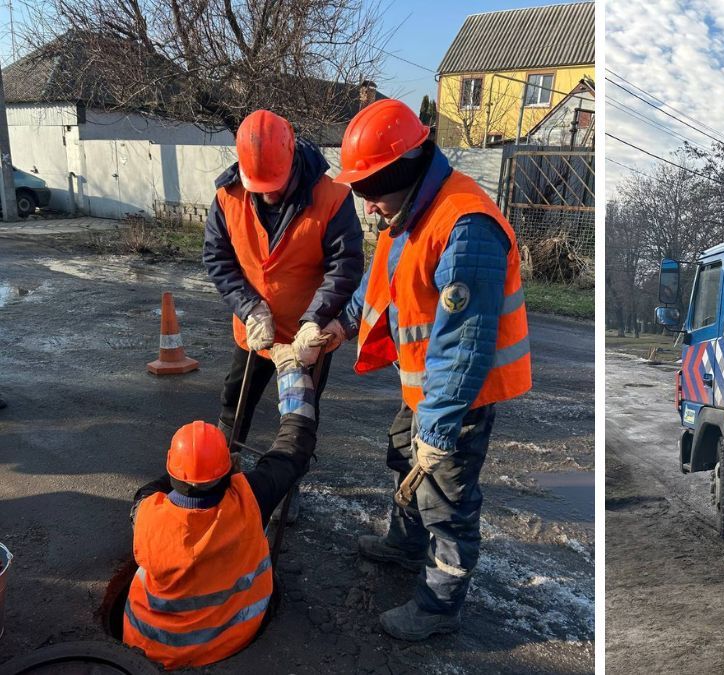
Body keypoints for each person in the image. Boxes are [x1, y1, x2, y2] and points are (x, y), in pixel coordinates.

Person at [304, 98, 531, 640]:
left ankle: (439, 607)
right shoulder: (407, 214)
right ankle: (403, 547)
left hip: (461, 399)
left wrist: (439, 426)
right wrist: (341, 325)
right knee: (403, 459)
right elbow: (377, 286)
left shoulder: (466, 224)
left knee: (447, 499)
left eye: (368, 190)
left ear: (400, 170)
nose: (366, 204)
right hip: (426, 390)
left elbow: (466, 343)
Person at [122, 344, 317, 669]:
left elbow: (148, 491)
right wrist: (292, 370)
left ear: (172, 472)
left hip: (146, 648)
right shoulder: (249, 499)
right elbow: (294, 445)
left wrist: (190, 468)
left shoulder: (147, 515)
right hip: (232, 641)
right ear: (231, 470)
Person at [202, 109, 363, 487]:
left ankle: (281, 490)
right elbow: (217, 258)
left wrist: (316, 320)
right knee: (234, 402)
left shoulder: (333, 198)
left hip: (305, 338)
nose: (269, 192)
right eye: (260, 185)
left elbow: (346, 266)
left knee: (298, 419)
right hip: (255, 332)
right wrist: (249, 307)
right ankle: (218, 476)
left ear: (292, 158)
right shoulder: (228, 197)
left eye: (276, 183)